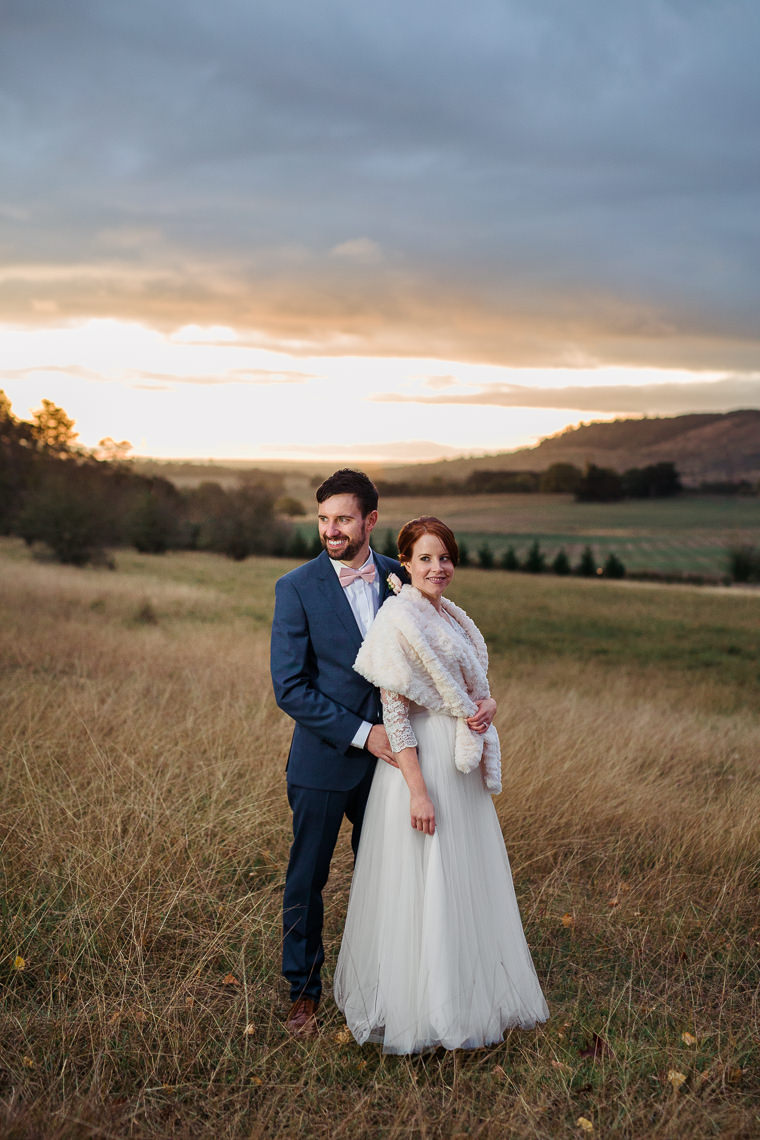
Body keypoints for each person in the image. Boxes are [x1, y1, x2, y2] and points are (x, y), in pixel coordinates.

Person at [334, 516, 549, 1053]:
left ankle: (469, 998)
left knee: (464, 879)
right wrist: (419, 791)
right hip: (422, 767)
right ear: (403, 563)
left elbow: (474, 687)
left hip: (460, 767)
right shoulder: (397, 619)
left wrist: (490, 705)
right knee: (425, 883)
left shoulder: (451, 617)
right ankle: (424, 1012)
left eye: (446, 557)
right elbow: (396, 715)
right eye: (426, 558)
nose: (438, 568)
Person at [270, 469, 404, 1037]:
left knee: (392, 872)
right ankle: (303, 991)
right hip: (324, 761)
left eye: (343, 519)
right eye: (324, 519)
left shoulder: (402, 577)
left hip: (394, 767)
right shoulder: (296, 587)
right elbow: (290, 687)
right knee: (309, 879)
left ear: (370, 521)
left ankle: (388, 981)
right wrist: (362, 733)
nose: (331, 530)